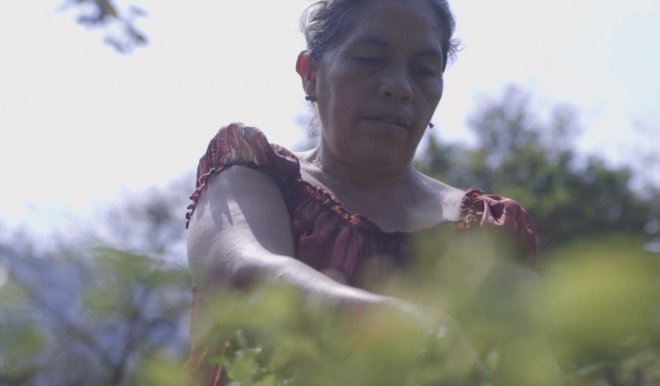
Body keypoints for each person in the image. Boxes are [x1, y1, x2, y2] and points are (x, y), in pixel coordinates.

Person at [185, 0, 559, 385]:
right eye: (368, 58)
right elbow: (243, 275)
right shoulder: (251, 172)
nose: (399, 87)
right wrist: (414, 331)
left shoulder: (489, 231)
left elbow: (532, 372)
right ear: (310, 73)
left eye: (424, 70)